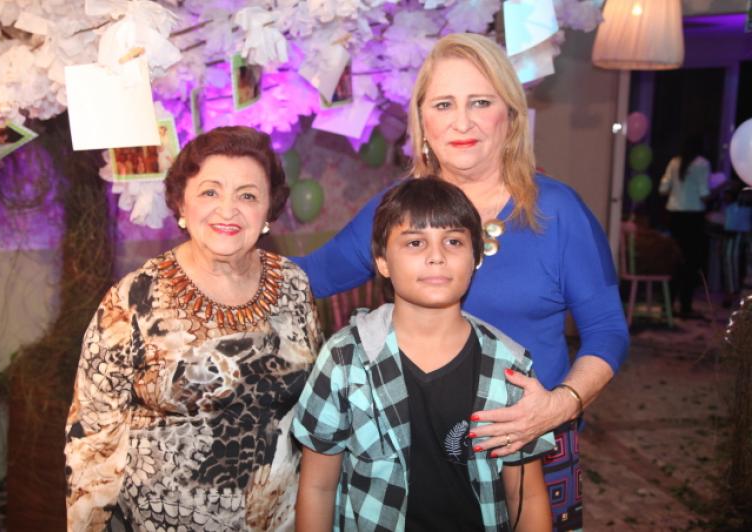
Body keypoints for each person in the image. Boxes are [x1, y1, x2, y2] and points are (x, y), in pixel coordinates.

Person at [292, 33, 629, 530]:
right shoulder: (399, 212)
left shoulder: (558, 212)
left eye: (481, 102)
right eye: (444, 104)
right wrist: (209, 262)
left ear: (510, 116)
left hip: (527, 442)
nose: (462, 121)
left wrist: (558, 406)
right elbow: (306, 277)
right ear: (422, 120)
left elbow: (607, 331)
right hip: (411, 447)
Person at [64, 126, 322, 531]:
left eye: (248, 195)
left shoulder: (293, 285)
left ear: (268, 211)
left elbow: (312, 409)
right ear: (181, 203)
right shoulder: (133, 298)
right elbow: (92, 438)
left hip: (278, 521)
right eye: (210, 192)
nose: (228, 210)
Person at [292, 177, 555, 531]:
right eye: (415, 242)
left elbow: (527, 496)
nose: (436, 256)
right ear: (382, 261)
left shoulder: (509, 368)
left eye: (454, 241)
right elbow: (318, 487)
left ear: (476, 257)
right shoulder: (343, 360)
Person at [658, 135, 711, 318]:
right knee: (691, 262)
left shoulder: (674, 162)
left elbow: (663, 189)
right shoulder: (702, 164)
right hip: (693, 217)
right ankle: (685, 306)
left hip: (675, 215)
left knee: (674, 260)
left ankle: (667, 303)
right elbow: (704, 193)